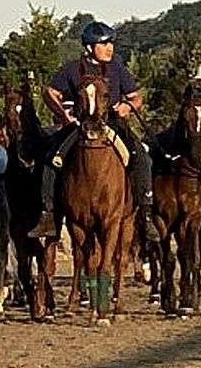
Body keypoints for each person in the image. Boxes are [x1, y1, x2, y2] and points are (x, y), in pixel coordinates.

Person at [29, 21, 160, 242]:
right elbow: (49, 92)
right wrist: (63, 115)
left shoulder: (117, 68)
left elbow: (136, 96)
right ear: (90, 47)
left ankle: (145, 215)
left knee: (143, 158)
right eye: (104, 44)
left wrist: (128, 106)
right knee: (53, 158)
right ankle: (47, 214)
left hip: (113, 124)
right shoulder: (71, 69)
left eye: (111, 43)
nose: (110, 48)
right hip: (80, 125)